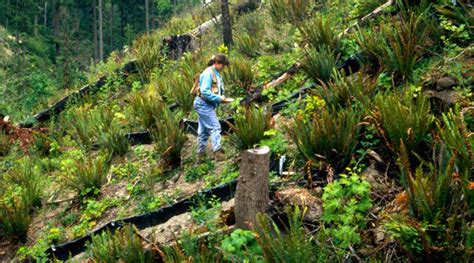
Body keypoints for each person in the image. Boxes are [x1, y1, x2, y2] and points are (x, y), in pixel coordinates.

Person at [193, 54, 233, 162]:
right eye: (223, 65)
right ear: (217, 63)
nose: (223, 68)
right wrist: (219, 98)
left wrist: (221, 99)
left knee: (203, 131)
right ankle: (218, 152)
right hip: (203, 104)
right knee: (215, 127)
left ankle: (200, 155)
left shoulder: (217, 74)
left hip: (206, 104)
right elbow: (205, 92)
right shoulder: (208, 73)